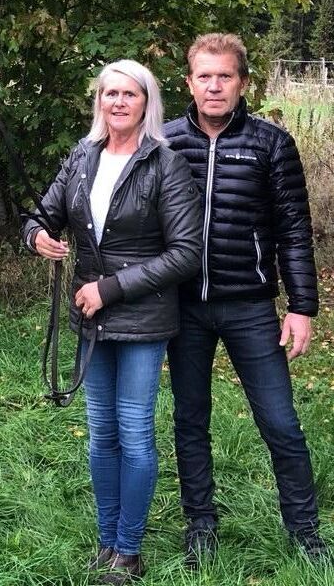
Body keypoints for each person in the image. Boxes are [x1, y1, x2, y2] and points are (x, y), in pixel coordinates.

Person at [23, 60, 202, 583]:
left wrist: (111, 288)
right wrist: (36, 235)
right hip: (90, 316)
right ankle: (107, 540)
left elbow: (186, 252)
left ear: (147, 103)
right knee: (100, 432)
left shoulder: (165, 164)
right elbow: (43, 212)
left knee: (134, 431)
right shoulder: (83, 156)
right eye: (109, 94)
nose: (118, 102)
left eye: (130, 94)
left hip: (142, 319)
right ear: (98, 101)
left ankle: (129, 548)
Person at [165, 32, 328, 566]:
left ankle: (305, 534)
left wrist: (302, 306)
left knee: (280, 422)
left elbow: (294, 229)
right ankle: (201, 526)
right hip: (183, 308)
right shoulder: (163, 142)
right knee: (190, 420)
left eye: (225, 76)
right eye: (204, 76)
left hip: (250, 306)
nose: (214, 87)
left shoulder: (271, 144)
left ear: (242, 83)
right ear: (188, 82)